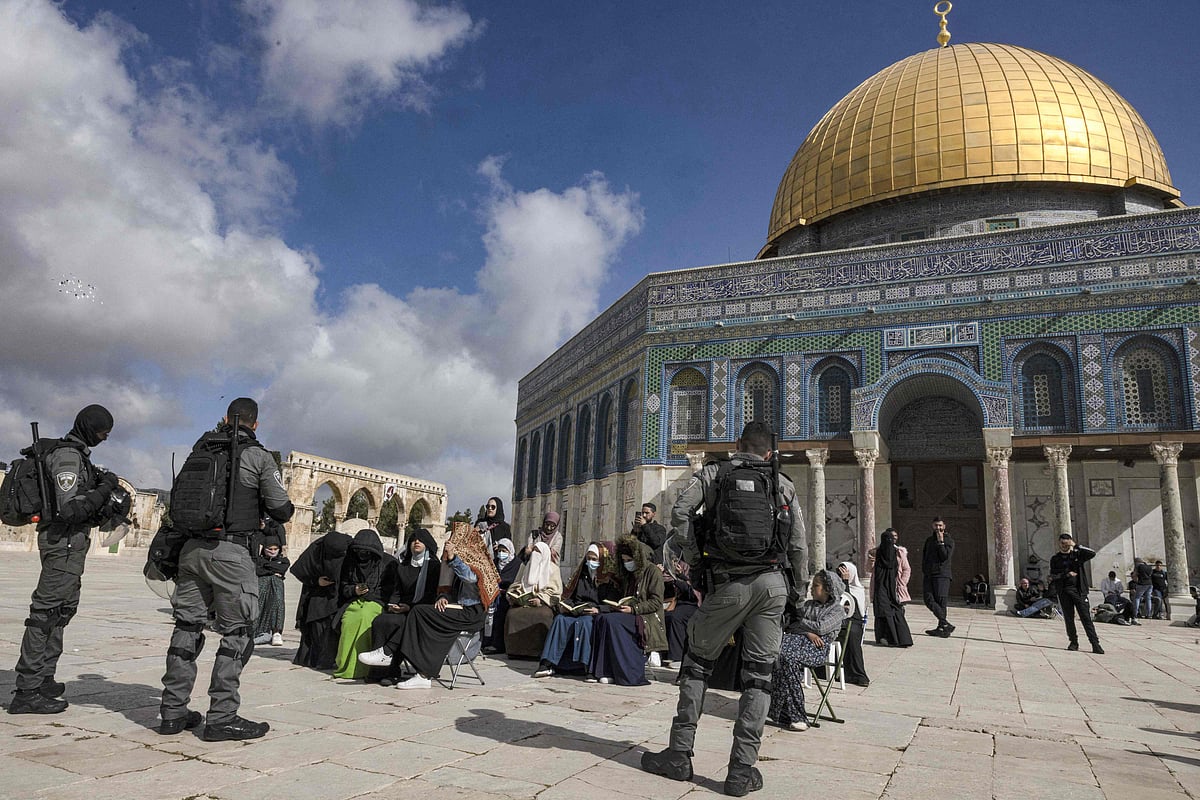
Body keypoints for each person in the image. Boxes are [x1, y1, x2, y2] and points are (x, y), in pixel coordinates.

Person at [642, 421, 807, 798]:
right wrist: (795, 593)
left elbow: (680, 512)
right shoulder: (782, 483)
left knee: (697, 664)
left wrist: (694, 560)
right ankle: (741, 771)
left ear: (737, 445)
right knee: (759, 676)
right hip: (772, 586)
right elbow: (798, 545)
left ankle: (680, 754)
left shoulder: (715, 474)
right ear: (769, 453)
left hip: (728, 584)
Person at [159, 398, 294, 740]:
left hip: (191, 551)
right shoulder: (257, 456)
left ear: (225, 418)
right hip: (232, 553)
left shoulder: (200, 449)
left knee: (187, 627)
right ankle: (221, 717)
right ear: (255, 424)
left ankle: (172, 712)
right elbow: (281, 508)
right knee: (237, 634)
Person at [10, 405, 117, 715]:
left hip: (71, 544)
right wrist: (105, 488)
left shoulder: (80, 455)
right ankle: (27, 690)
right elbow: (69, 509)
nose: (104, 439)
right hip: (62, 543)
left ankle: (44, 676)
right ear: (88, 427)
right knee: (45, 613)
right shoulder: (69, 457)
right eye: (101, 433)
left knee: (61, 612)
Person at [389, 522, 500, 689]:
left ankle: (422, 671)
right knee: (422, 612)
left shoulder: (477, 557)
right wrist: (443, 596)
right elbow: (447, 583)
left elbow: (470, 578)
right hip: (458, 608)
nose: (451, 542)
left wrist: (454, 558)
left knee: (420, 612)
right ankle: (418, 667)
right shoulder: (455, 558)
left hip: (472, 612)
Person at [768, 569, 848, 732]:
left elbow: (821, 628)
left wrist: (803, 626)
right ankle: (780, 710)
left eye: (816, 586)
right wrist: (807, 632)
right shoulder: (808, 606)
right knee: (775, 655)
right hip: (798, 640)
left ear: (827, 589)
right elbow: (793, 625)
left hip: (816, 648)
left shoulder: (837, 610)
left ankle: (797, 715)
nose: (812, 589)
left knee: (787, 659)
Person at [357, 529, 440, 681]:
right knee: (381, 621)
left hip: (421, 610)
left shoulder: (434, 567)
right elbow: (396, 591)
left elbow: (432, 595)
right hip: (402, 607)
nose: (416, 542)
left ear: (427, 544)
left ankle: (391, 667)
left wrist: (410, 607)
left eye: (420, 540)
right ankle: (380, 672)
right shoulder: (403, 566)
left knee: (401, 623)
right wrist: (392, 605)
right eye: (414, 539)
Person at [534, 543, 618, 677]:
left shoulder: (609, 580)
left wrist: (598, 609)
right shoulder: (581, 576)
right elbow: (571, 596)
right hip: (577, 610)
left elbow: (613, 603)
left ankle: (586, 666)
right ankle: (547, 663)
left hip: (593, 612)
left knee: (584, 623)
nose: (590, 562)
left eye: (594, 559)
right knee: (560, 620)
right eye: (588, 559)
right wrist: (566, 605)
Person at [590, 536, 665, 685]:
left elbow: (656, 602)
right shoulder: (629, 575)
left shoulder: (652, 572)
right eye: (623, 561)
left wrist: (633, 608)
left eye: (628, 560)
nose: (626, 564)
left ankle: (626, 674)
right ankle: (604, 670)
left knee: (612, 621)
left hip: (646, 618)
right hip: (629, 613)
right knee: (602, 619)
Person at [333, 529, 395, 679]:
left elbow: (391, 590)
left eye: (366, 552)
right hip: (354, 601)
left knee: (365, 617)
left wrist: (370, 594)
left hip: (377, 602)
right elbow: (343, 587)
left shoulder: (388, 563)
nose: (362, 555)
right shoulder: (351, 562)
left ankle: (363, 669)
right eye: (359, 551)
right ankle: (346, 666)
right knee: (349, 621)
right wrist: (355, 590)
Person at [290, 531, 351, 669]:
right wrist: (316, 581)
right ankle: (317, 657)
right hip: (317, 591)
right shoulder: (317, 549)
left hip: (342, 593)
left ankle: (332, 657)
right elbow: (301, 570)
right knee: (317, 616)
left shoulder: (349, 549)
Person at [503, 540, 563, 657]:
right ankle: (515, 651)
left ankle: (538, 652)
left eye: (538, 552)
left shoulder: (553, 569)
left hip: (543, 603)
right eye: (534, 552)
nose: (535, 555)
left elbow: (556, 591)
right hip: (524, 602)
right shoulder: (524, 566)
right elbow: (516, 583)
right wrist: (516, 596)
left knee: (543, 616)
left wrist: (540, 599)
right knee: (512, 615)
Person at [1049, 533, 1103, 654]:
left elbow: (1092, 553)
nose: (1064, 545)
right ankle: (1073, 642)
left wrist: (1076, 545)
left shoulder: (1077, 556)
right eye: (1062, 543)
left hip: (1079, 592)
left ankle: (1095, 644)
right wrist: (1066, 575)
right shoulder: (1055, 559)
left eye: (1066, 543)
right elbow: (1053, 576)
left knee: (1086, 618)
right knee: (1069, 618)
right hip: (1064, 591)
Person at [872, 528, 913, 647]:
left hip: (893, 587)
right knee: (883, 612)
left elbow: (906, 569)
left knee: (894, 611)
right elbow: (869, 570)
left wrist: (902, 583)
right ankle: (886, 637)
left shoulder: (899, 553)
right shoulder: (877, 553)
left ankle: (898, 639)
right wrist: (871, 560)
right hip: (881, 587)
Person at [482, 537, 521, 654]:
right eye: (499, 550)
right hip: (493, 594)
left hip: (508, 596)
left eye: (504, 551)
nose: (501, 553)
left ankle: (498, 644)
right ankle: (487, 641)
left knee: (500, 613)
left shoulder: (517, 564)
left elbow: (516, 581)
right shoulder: (494, 563)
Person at [835, 561, 870, 687]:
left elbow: (847, 603)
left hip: (854, 622)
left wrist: (845, 583)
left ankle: (857, 674)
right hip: (838, 622)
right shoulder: (836, 587)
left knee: (851, 633)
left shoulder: (858, 589)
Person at [252, 529, 290, 646]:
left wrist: (267, 567)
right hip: (262, 586)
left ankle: (276, 631)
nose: (273, 551)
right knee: (259, 604)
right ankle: (257, 631)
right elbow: (258, 569)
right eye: (270, 549)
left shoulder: (283, 560)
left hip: (276, 587)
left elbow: (282, 568)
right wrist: (272, 569)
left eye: (275, 549)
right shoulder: (259, 560)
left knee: (277, 603)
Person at [664, 557, 701, 668]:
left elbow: (693, 592)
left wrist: (679, 577)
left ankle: (678, 656)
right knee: (664, 616)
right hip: (678, 602)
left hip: (693, 604)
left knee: (677, 617)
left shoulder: (694, 567)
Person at [922, 517, 955, 637]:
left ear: (944, 526)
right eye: (936, 525)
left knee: (941, 602)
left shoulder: (949, 541)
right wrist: (925, 571)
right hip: (929, 575)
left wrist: (941, 543)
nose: (938, 528)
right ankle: (945, 624)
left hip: (942, 575)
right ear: (932, 526)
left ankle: (942, 628)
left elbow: (944, 557)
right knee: (928, 599)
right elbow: (925, 557)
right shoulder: (929, 540)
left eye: (940, 526)